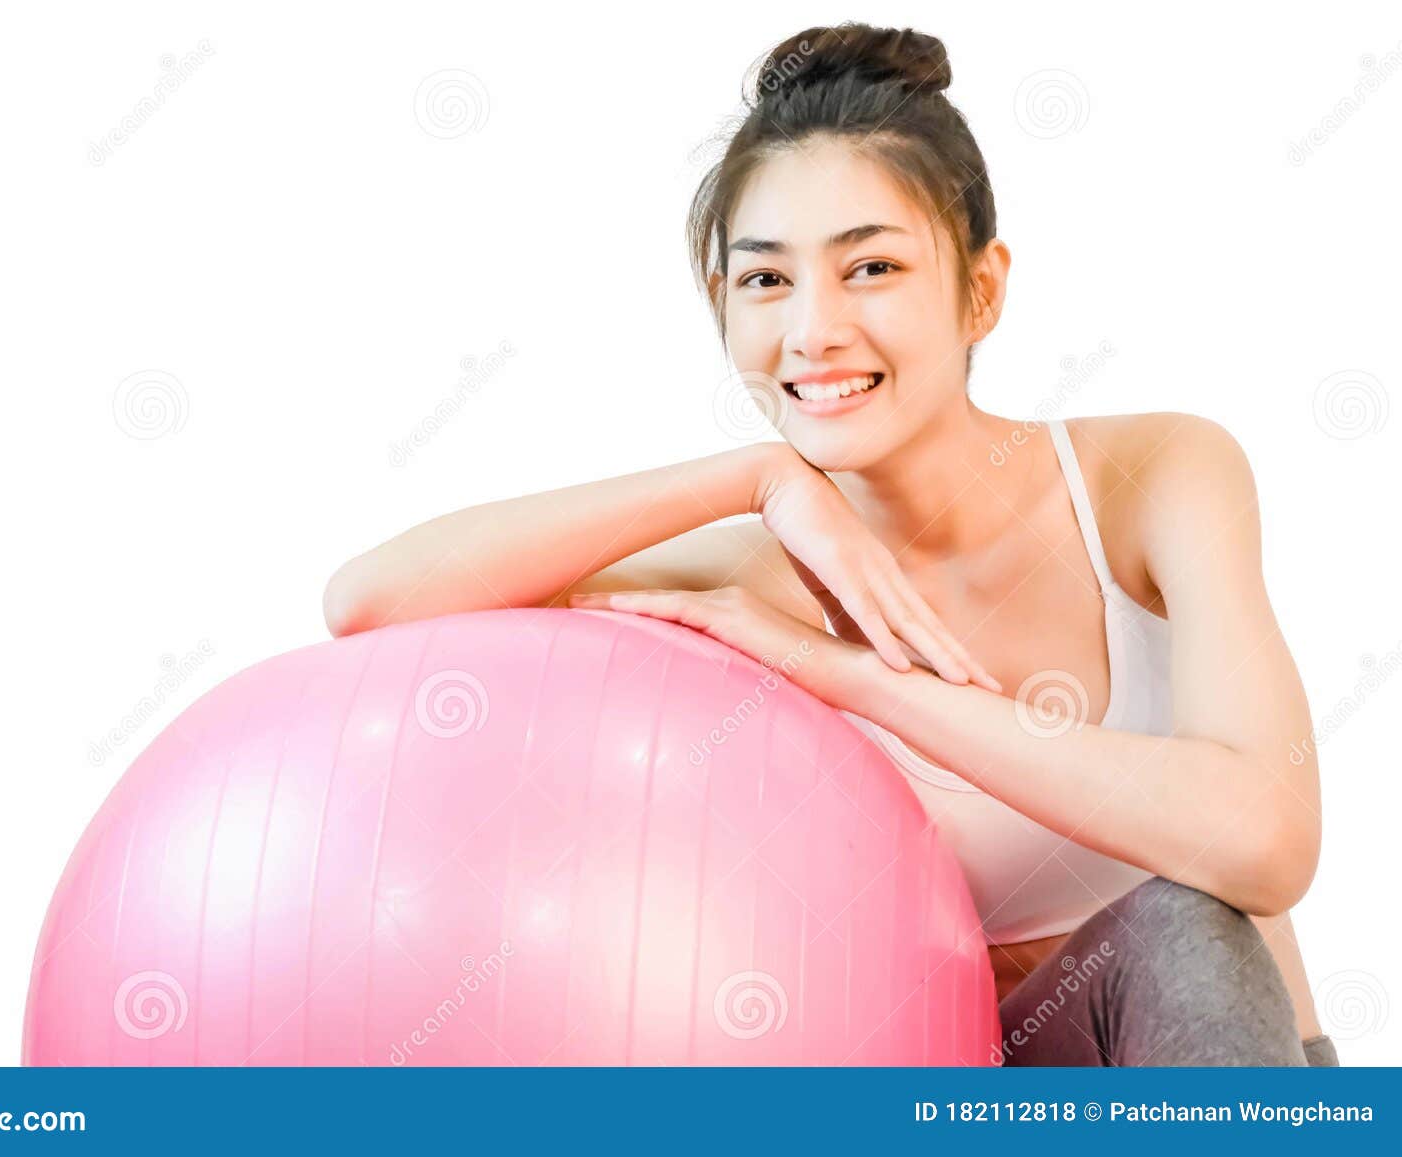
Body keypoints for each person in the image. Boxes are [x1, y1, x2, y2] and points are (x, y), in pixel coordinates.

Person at [323, 22, 1334, 1066]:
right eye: (765, 281)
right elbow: (373, 601)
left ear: (980, 288)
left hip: (1230, 1083)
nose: (812, 329)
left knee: (1179, 924)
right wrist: (750, 477)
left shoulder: (1152, 479)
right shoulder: (749, 574)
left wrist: (859, 678)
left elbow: (1264, 841)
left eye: (872, 267)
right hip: (945, 1093)